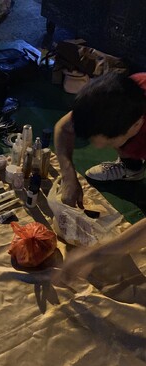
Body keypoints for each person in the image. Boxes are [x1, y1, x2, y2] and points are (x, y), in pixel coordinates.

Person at [53, 72, 146, 284]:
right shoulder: (119, 97)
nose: (98, 148)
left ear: (136, 125)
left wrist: (98, 255)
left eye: (107, 142)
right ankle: (131, 166)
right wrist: (69, 176)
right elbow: (63, 127)